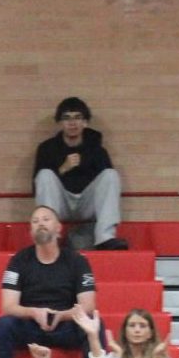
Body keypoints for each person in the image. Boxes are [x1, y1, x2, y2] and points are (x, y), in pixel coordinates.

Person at [0, 206, 97, 358]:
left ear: (58, 227)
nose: (40, 224)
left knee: (93, 325)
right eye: (35, 221)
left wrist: (61, 315)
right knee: (3, 325)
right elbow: (8, 306)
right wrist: (33, 312)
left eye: (46, 219)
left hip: (65, 324)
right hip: (31, 326)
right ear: (31, 231)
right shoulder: (18, 261)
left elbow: (88, 306)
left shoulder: (77, 261)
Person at [32, 96, 126, 251]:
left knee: (110, 175)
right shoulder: (47, 148)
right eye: (67, 118)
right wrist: (63, 168)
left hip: (87, 204)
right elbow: (36, 188)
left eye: (77, 117)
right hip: (60, 204)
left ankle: (105, 238)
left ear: (85, 122)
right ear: (60, 123)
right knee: (44, 175)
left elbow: (107, 188)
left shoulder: (97, 150)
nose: (72, 123)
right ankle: (50, 237)